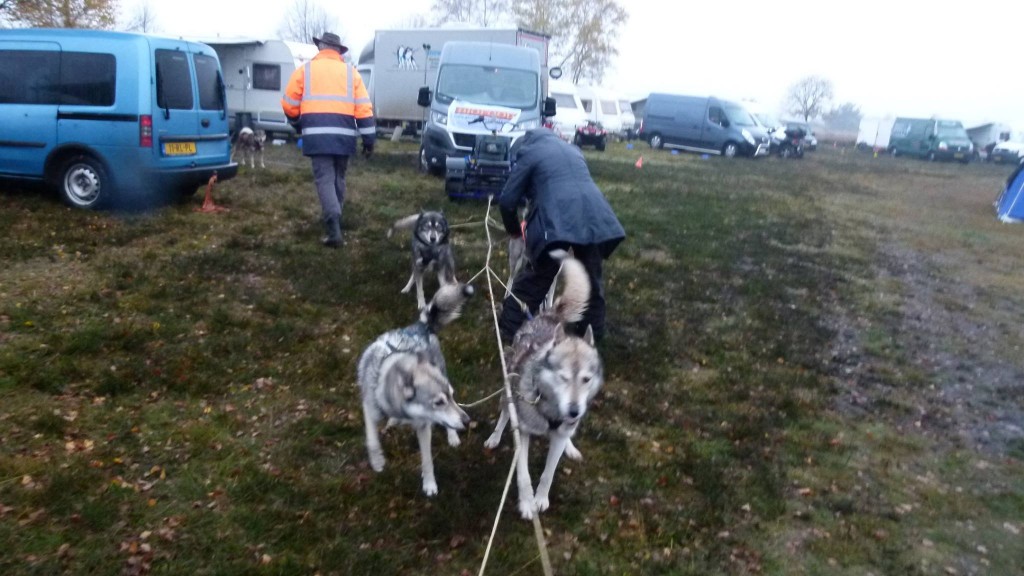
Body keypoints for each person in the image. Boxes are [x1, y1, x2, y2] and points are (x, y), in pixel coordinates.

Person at [498, 128, 626, 343]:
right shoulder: (573, 150)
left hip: (556, 218)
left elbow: (507, 201)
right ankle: (591, 336)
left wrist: (514, 232)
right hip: (593, 215)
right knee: (590, 279)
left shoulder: (529, 152)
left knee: (537, 277)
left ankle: (508, 330)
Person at [281, 32, 375, 248]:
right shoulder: (352, 74)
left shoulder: (304, 71)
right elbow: (363, 109)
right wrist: (369, 140)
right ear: (339, 51)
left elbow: (288, 104)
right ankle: (336, 216)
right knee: (339, 178)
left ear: (321, 47)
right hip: (344, 137)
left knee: (325, 179)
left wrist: (297, 124)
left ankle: (333, 229)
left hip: (317, 136)